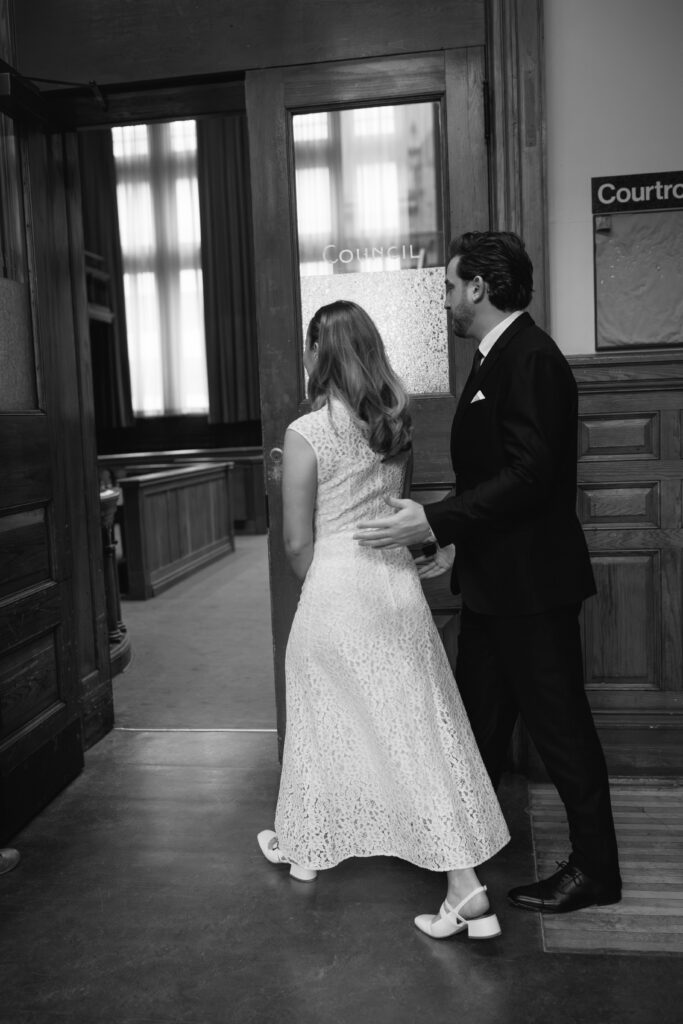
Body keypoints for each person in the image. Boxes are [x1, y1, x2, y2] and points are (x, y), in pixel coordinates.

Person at [354, 232, 622, 914]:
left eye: (448, 285)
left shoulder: (530, 358)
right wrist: (456, 547)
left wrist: (435, 521)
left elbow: (530, 477)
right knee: (474, 724)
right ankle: (459, 863)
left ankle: (595, 870)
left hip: (531, 589)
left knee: (559, 730)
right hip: (494, 583)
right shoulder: (494, 355)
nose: (442, 298)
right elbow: (497, 473)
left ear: (478, 287)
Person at [257, 299, 510, 939]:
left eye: (311, 347)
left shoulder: (307, 432)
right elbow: (398, 509)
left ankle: (465, 885)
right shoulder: (394, 427)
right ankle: (305, 843)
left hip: (339, 582)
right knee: (417, 722)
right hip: (394, 584)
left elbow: (294, 541)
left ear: (322, 352)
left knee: (328, 713)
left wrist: (322, 589)